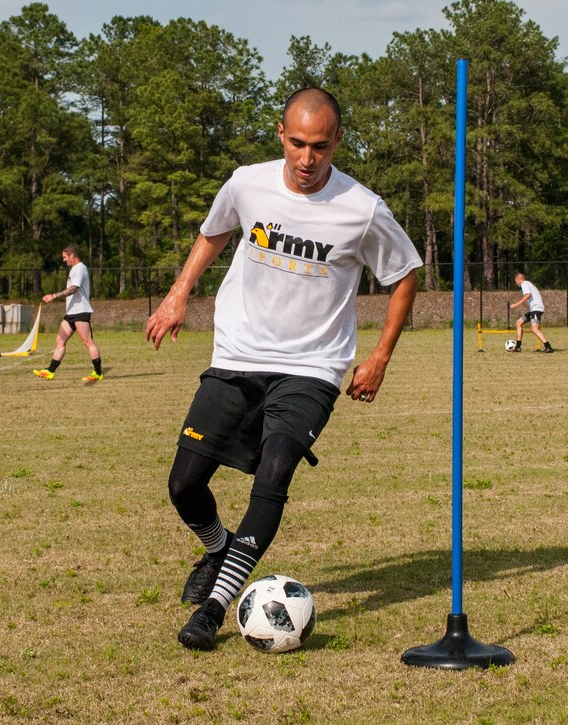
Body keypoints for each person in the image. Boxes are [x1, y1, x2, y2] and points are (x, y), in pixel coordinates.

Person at [145, 88, 422, 651]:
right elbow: (213, 232)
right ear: (280, 134)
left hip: (312, 367)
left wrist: (379, 356)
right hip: (238, 355)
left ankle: (216, 607)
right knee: (184, 484)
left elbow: (405, 275)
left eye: (319, 146)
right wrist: (178, 294)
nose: (306, 158)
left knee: (272, 478)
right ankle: (218, 545)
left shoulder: (363, 208)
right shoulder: (247, 182)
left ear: (338, 142)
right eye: (297, 143)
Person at [33, 245, 104, 381]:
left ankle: (98, 373)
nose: (64, 260)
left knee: (88, 342)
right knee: (60, 341)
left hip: (80, 311)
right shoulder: (74, 269)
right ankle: (50, 371)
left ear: (72, 255)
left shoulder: (80, 268)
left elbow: (73, 289)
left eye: (65, 257)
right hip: (71, 313)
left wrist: (54, 295)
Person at [509, 272, 554, 353]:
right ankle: (518, 347)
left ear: (518, 279)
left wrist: (516, 304)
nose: (516, 284)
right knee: (519, 322)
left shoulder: (524, 284)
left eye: (516, 281)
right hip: (533, 310)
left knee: (534, 329)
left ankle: (548, 347)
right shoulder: (528, 284)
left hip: (537, 309)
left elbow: (528, 295)